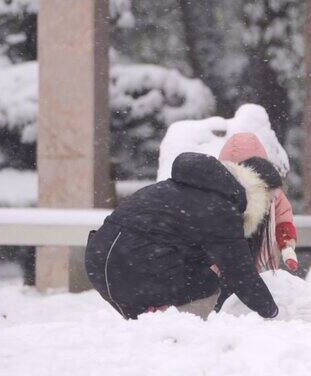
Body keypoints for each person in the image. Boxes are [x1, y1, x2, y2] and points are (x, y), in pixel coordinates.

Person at [84, 151, 283, 320]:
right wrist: (273, 312)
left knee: (200, 267)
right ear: (260, 191)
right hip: (133, 270)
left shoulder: (182, 187)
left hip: (100, 262)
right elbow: (240, 275)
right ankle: (180, 334)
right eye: (271, 200)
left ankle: (157, 326)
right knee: (213, 281)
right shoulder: (221, 209)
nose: (268, 210)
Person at [218, 132, 299, 271]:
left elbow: (283, 220)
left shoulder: (273, 195)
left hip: (262, 264)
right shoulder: (216, 195)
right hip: (226, 266)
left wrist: (286, 245)